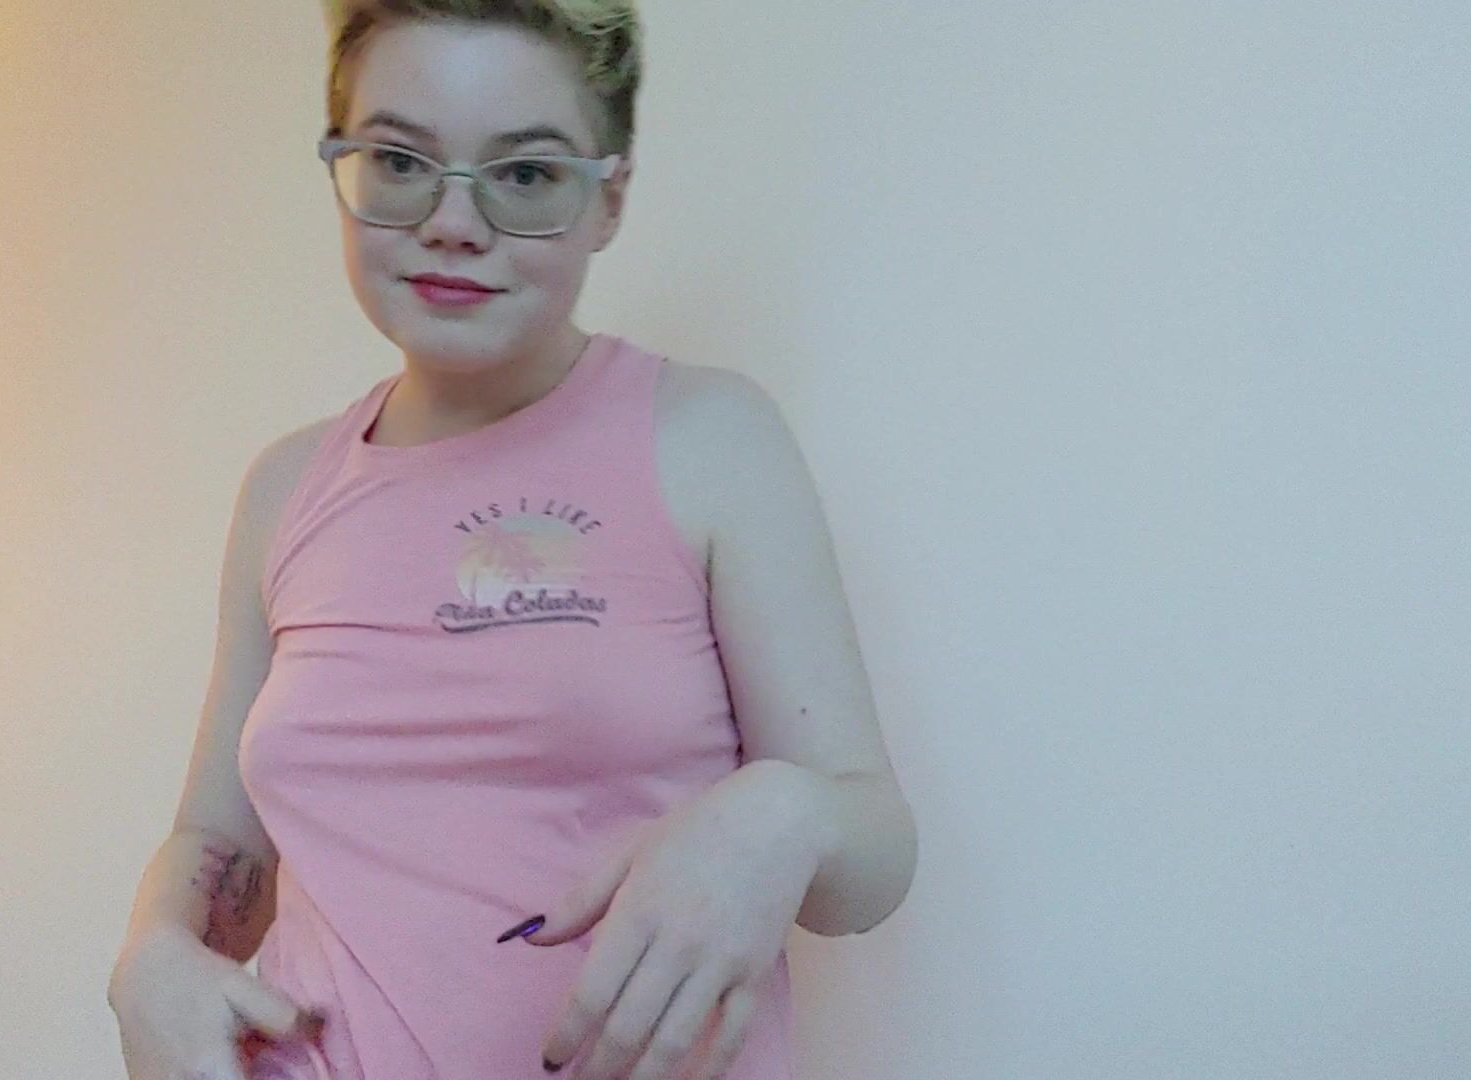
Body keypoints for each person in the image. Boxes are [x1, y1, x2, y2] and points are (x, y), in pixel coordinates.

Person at [105, 2, 918, 1077]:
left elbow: (871, 856)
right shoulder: (285, 488)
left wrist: (781, 816)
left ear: (608, 197)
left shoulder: (711, 439)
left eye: (525, 174)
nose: (454, 223)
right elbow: (222, 847)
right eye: (401, 162)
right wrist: (151, 956)